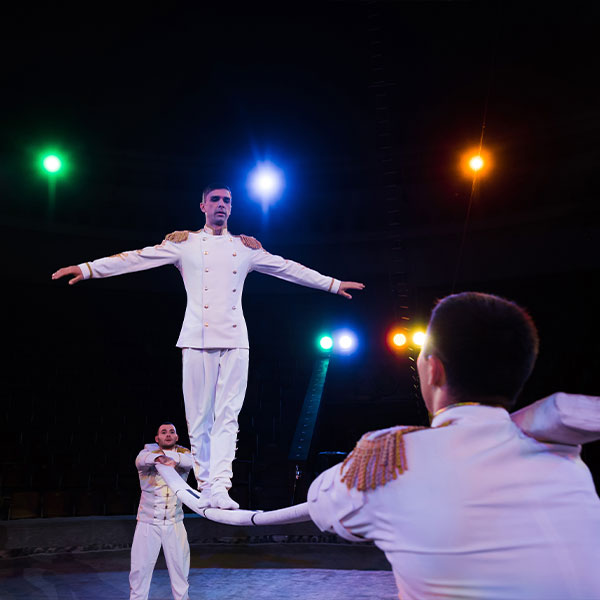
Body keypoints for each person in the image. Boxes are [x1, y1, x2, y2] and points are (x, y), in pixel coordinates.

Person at [52, 183, 364, 509]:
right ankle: (205, 484)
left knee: (229, 417)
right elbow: (136, 258)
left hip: (235, 340)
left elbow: (287, 268)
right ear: (203, 206)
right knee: (199, 418)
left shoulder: (244, 247)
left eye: (227, 200)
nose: (221, 204)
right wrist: (87, 269)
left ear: (232, 207)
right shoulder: (184, 244)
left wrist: (332, 284)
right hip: (196, 338)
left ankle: (221, 487)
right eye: (215, 199)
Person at [308, 292, 600, 600]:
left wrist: (374, 451)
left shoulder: (392, 461)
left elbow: (320, 503)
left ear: (434, 369)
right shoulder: (572, 468)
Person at [130, 422, 193, 600]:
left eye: (172, 432)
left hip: (174, 523)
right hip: (148, 522)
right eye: (164, 432)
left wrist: (173, 459)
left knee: (180, 570)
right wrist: (159, 458)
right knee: (140, 571)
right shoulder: (147, 454)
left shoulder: (183, 455)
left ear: (177, 437)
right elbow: (140, 461)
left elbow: (192, 462)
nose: (168, 434)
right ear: (157, 438)